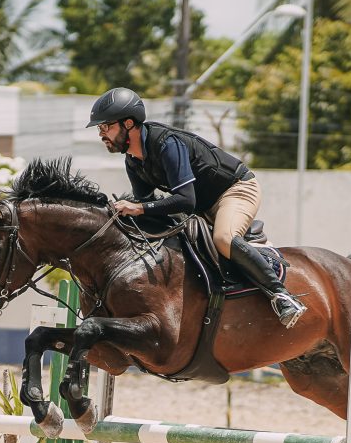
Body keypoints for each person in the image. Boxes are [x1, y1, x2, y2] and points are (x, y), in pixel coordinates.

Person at [85, 87, 307, 328]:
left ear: (128, 123)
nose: (101, 133)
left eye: (105, 126)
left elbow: (184, 200)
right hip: (201, 205)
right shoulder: (133, 161)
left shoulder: (167, 144)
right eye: (100, 128)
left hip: (235, 190)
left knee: (223, 238)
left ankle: (282, 296)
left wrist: (138, 208)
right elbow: (149, 206)